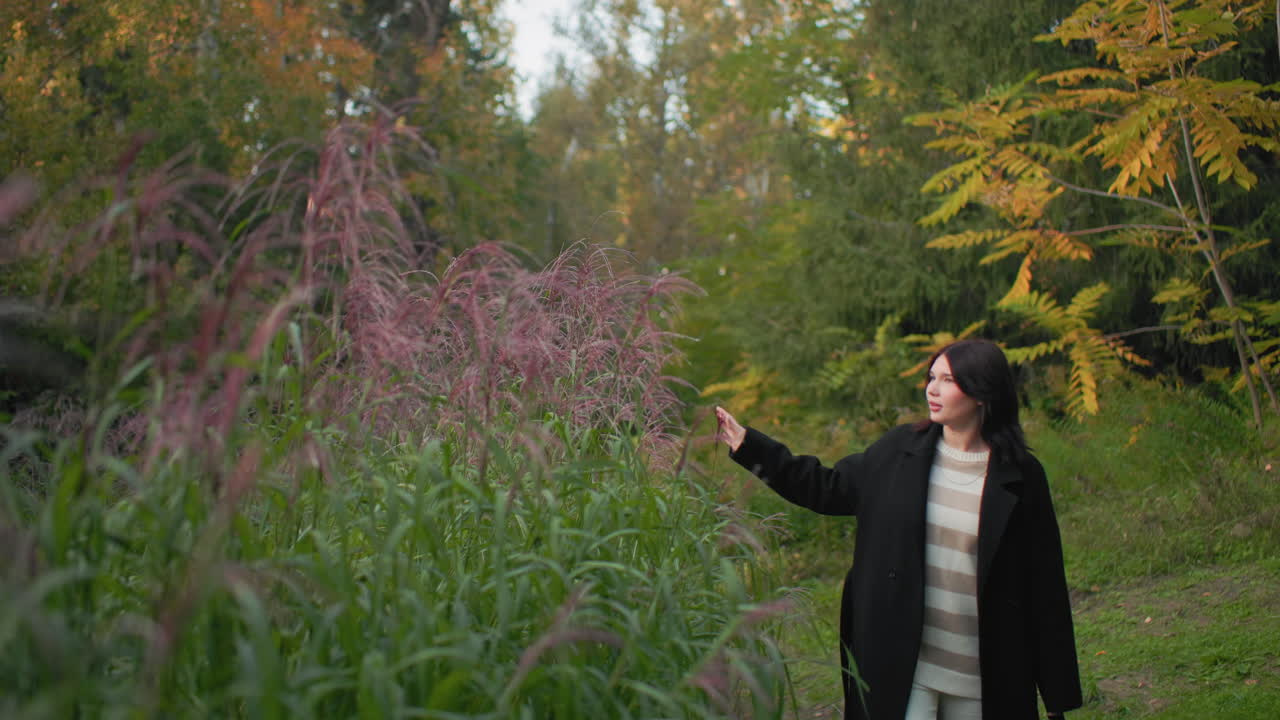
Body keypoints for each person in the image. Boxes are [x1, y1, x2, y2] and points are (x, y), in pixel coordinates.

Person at [715, 339, 1082, 720]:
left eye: (948, 380)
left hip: (985, 672)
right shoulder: (899, 452)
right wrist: (750, 446)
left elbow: (1044, 584)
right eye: (931, 377)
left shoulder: (1021, 476)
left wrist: (1057, 695)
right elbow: (826, 488)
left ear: (982, 393)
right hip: (906, 664)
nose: (932, 389)